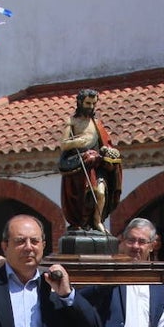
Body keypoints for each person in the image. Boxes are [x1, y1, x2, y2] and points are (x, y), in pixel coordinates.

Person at [58, 88, 122, 233]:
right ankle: (83, 221)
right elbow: (64, 144)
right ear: (80, 102)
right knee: (86, 196)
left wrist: (109, 151)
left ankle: (97, 221)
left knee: (100, 193)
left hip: (96, 164)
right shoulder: (72, 121)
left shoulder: (97, 123)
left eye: (94, 103)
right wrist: (79, 142)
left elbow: (105, 144)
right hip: (80, 165)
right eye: (88, 103)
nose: (91, 107)